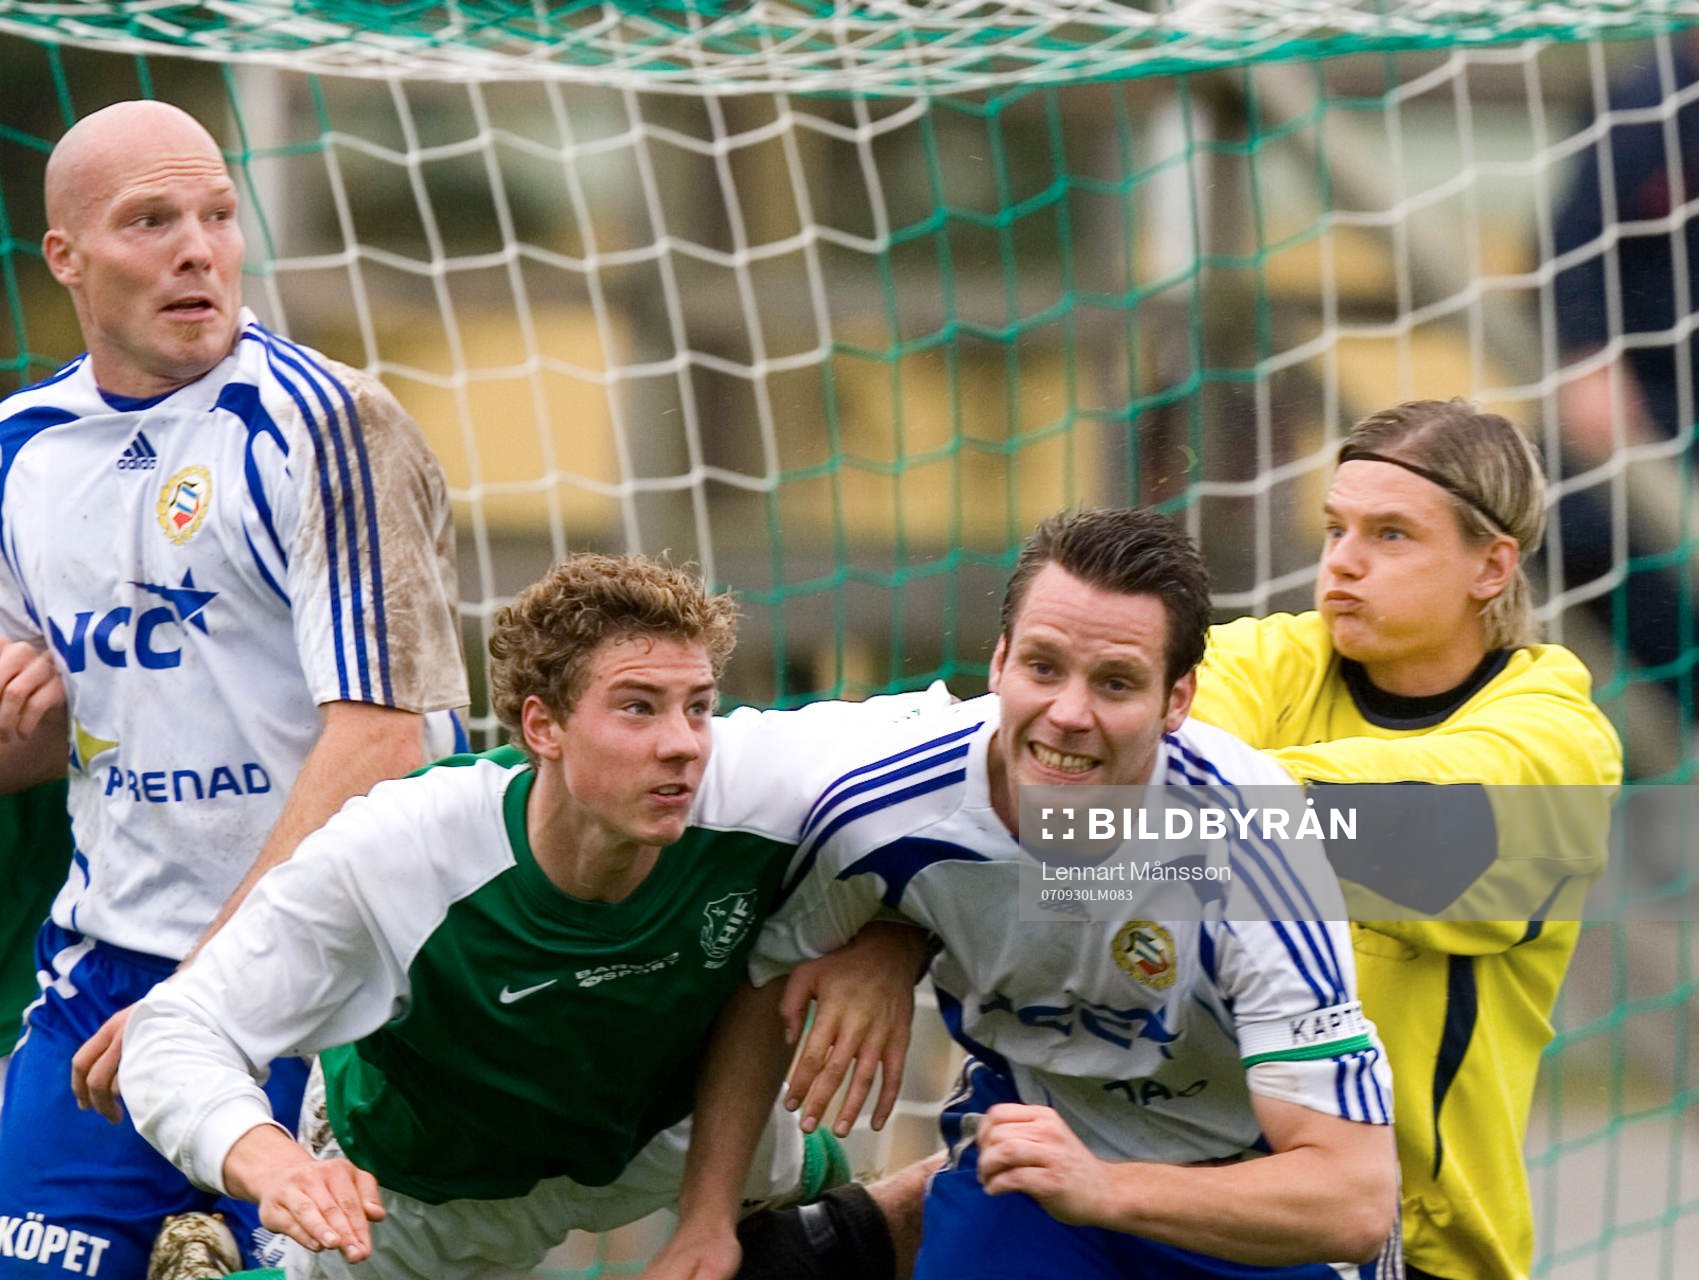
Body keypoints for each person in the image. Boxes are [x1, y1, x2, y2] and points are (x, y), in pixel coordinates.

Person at [124, 552, 947, 1280]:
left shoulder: (760, 780)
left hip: (659, 1135)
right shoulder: (402, 850)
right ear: (542, 726)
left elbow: (988, 760)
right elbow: (172, 1035)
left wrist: (892, 937)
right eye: (637, 707)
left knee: (834, 1222)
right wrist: (271, 1164)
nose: (684, 743)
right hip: (427, 1186)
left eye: (697, 705)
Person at [648, 507, 1400, 1280]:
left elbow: (1352, 1200)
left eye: (1114, 682)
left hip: (1240, 1194)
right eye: (1043, 667)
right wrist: (708, 1221)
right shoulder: (884, 805)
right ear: (1000, 661)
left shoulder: (1252, 838)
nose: (1068, 715)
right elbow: (766, 974)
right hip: (1028, 1167)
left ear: (1176, 702)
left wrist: (1106, 1189)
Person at [0, 99, 467, 1275]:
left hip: (326, 983)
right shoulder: (21, 450)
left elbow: (388, 735)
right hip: (102, 974)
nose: (197, 246)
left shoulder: (330, 424)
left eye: (216, 214)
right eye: (150, 219)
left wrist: (209, 989)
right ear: (65, 256)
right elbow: (34, 738)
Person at [1190, 400, 1622, 1280]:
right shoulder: (1265, 662)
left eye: (1390, 536)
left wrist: (1166, 816)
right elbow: (1066, 777)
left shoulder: (1556, 743)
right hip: (1198, 1192)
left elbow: (1414, 827)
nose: (1342, 562)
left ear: (1491, 566)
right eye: (1335, 527)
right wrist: (889, 924)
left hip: (1413, 1246)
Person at [1551, 35, 1699, 697]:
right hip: (1647, 400)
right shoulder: (1639, 101)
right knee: (1623, 559)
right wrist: (1588, 358)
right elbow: (1569, 240)